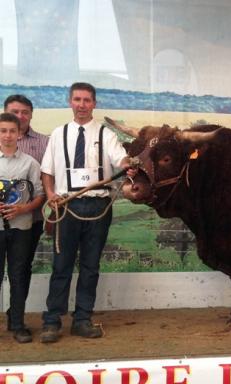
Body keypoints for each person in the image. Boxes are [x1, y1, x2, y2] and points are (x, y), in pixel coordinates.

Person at [40, 82, 135, 343]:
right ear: (70, 102)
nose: (82, 105)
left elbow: (120, 159)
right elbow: (47, 172)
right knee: (61, 265)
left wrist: (128, 164)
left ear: (94, 103)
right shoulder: (58, 134)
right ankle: (52, 321)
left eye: (87, 100)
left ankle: (82, 319)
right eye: (77, 99)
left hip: (98, 206)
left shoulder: (107, 135)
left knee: (90, 266)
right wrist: (51, 196)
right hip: (67, 206)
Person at [3, 94, 49, 332]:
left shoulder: (44, 143)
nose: (20, 116)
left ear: (31, 114)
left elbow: (48, 183)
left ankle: (16, 317)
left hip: (30, 220)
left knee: (21, 269)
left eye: (24, 112)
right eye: (14, 111)